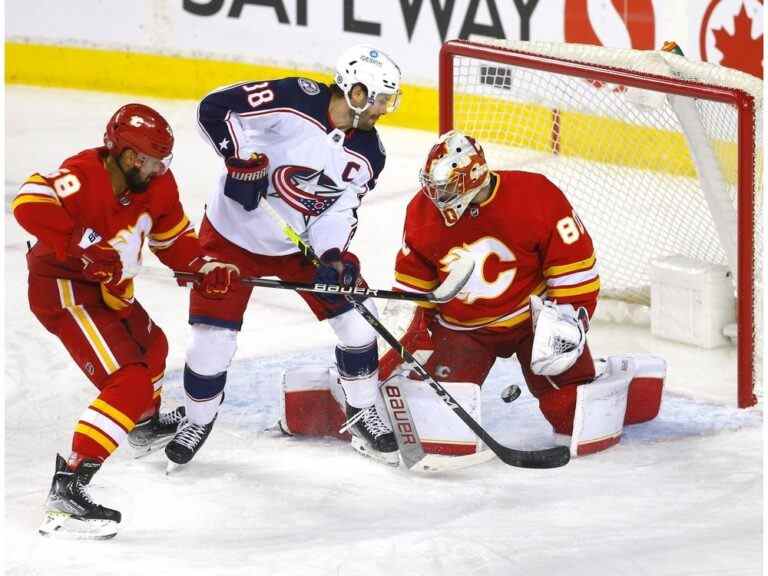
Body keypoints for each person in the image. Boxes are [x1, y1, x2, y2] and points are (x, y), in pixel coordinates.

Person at [164, 45, 403, 467]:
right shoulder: (294, 99)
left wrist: (332, 255)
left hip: (299, 246)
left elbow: (338, 206)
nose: (385, 109)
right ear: (357, 91)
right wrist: (239, 159)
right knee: (210, 345)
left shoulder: (370, 154)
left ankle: (362, 409)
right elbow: (215, 108)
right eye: (382, 99)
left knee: (359, 325)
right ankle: (198, 419)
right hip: (231, 237)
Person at [12, 103, 239, 539]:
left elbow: (173, 240)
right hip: (66, 291)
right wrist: (80, 248)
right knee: (130, 380)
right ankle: (69, 486)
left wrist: (201, 268)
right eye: (155, 160)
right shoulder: (84, 173)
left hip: (110, 291)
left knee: (154, 348)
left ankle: (142, 424)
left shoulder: (158, 185)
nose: (161, 169)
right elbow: (28, 202)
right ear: (131, 157)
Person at [377, 130, 665, 457]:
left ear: (473, 178)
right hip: (462, 329)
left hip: (532, 321)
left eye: (445, 187)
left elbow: (575, 269)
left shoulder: (535, 195)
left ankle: (609, 386)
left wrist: (566, 323)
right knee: (436, 422)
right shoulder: (422, 211)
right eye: (432, 184)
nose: (435, 195)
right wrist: (399, 345)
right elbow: (413, 287)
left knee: (571, 414)